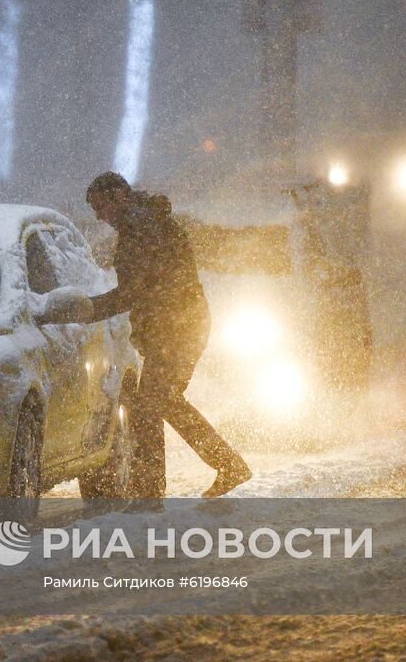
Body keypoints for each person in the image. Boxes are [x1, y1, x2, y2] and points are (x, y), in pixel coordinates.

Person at [43, 172, 251, 499]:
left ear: (119, 197)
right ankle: (224, 466)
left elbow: (133, 292)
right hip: (179, 325)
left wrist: (86, 310)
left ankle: (151, 494)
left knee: (149, 407)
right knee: (161, 402)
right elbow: (142, 289)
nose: (99, 215)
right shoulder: (142, 222)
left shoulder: (142, 229)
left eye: (101, 206)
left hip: (177, 328)